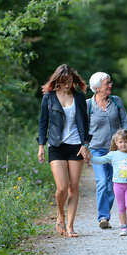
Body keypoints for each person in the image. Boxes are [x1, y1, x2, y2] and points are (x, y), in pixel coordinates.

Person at [37, 64, 90, 238]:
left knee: (73, 188)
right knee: (62, 187)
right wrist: (41, 147)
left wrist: (85, 144)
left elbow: (85, 122)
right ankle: (60, 213)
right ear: (58, 80)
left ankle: (70, 226)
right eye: (64, 81)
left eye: (70, 81)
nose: (67, 85)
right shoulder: (49, 98)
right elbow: (43, 123)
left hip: (76, 146)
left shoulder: (79, 98)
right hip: (56, 145)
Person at [87, 72, 127, 229]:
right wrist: (84, 148)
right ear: (97, 88)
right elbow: (83, 128)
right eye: (107, 83)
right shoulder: (88, 105)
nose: (110, 85)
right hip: (96, 149)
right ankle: (103, 217)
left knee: (114, 183)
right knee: (102, 181)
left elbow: (125, 121)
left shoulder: (116, 102)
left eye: (110, 82)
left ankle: (106, 213)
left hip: (115, 150)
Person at [90, 129, 127, 236]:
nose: (123, 144)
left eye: (126, 142)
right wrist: (89, 157)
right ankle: (123, 227)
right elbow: (100, 160)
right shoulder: (113, 154)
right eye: (120, 142)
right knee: (121, 207)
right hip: (118, 186)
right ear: (116, 143)